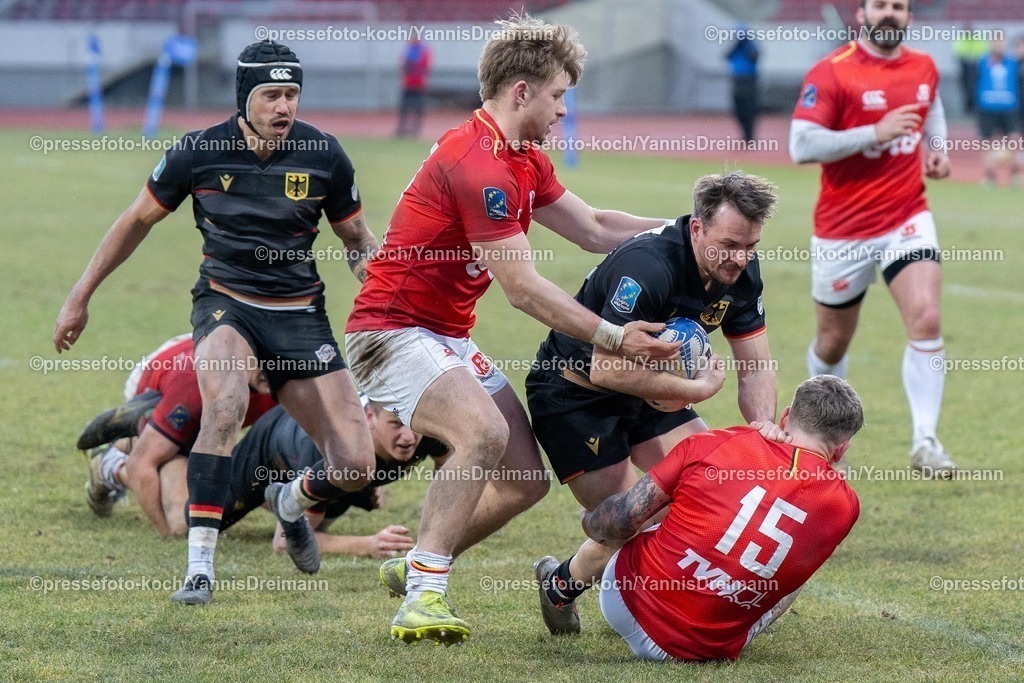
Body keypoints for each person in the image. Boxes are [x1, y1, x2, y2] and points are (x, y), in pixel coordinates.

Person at [344, 12, 681, 645]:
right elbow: (523, 289)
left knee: (524, 478)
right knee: (482, 433)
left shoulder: (522, 158)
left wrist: (682, 230)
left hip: (443, 335)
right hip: (390, 331)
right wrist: (612, 337)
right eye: (557, 96)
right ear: (521, 91)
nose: (562, 111)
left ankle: (416, 560)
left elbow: (595, 228)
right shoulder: (477, 163)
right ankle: (423, 595)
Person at [53, 40, 380, 605]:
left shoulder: (324, 155)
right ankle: (199, 570)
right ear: (243, 98)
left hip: (301, 317)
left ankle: (288, 501)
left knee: (354, 464)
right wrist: (80, 296)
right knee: (224, 406)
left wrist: (383, 296)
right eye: (271, 94)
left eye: (293, 94)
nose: (285, 107)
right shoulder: (199, 151)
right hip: (226, 304)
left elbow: (356, 242)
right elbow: (136, 221)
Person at [529, 171, 784, 635]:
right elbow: (604, 370)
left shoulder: (742, 272)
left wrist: (765, 428)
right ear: (697, 227)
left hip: (654, 389)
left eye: (749, 246)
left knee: (719, 489)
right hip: (575, 396)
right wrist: (695, 390)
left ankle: (563, 582)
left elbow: (757, 365)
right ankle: (567, 586)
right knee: (631, 517)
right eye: (728, 245)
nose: (739, 259)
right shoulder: (649, 265)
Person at [583, 375, 863, 662]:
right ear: (842, 449)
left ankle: (563, 582)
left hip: (624, 602)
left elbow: (622, 519)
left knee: (660, 506)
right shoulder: (846, 506)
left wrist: (590, 519)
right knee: (802, 553)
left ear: (785, 417)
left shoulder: (719, 442)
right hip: (711, 648)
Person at [789, 0, 955, 475]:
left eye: (897, 7)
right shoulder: (833, 72)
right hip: (843, 230)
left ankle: (926, 441)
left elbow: (931, 104)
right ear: (862, 15)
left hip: (907, 216)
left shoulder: (923, 66)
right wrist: (874, 131)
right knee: (833, 343)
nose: (889, 14)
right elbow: (801, 144)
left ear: (909, 17)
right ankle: (818, 440)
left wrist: (937, 150)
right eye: (880, 5)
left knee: (926, 316)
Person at [79, 333, 276, 536]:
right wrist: (165, 532)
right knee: (182, 523)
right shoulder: (194, 385)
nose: (270, 370)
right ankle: (110, 464)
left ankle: (149, 443)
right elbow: (142, 463)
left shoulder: (294, 381)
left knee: (249, 475)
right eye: (261, 360)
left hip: (211, 367)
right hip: (163, 379)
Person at [975, 38, 1021, 187]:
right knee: (987, 143)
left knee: (1014, 140)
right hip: (987, 108)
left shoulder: (1013, 62)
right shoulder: (982, 62)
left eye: (1000, 42)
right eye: (995, 41)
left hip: (1009, 107)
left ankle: (1014, 174)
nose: (998, 45)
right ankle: (990, 176)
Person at [725, 25, 760, 143]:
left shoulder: (750, 46)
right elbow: (726, 56)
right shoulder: (735, 47)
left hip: (749, 81)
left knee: (749, 110)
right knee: (738, 110)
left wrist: (745, 45)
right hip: (737, 81)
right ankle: (744, 134)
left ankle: (749, 136)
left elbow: (755, 56)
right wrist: (736, 45)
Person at [395, 39, 432, 138]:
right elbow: (402, 64)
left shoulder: (422, 50)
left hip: (418, 84)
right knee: (404, 107)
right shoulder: (408, 49)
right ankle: (402, 128)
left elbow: (425, 67)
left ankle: (416, 129)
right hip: (408, 83)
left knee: (418, 108)